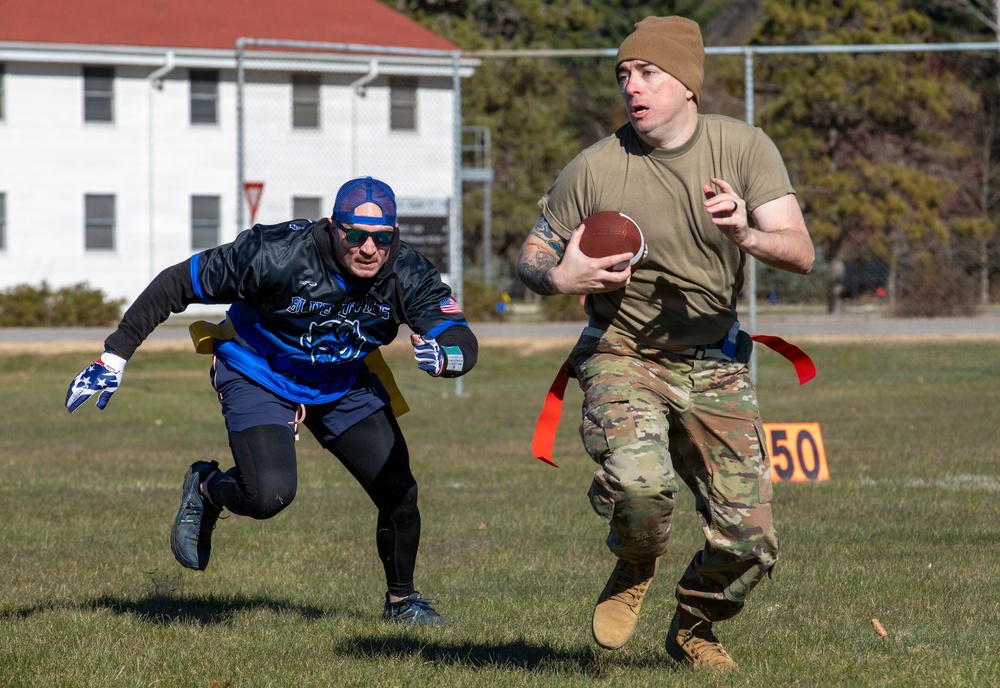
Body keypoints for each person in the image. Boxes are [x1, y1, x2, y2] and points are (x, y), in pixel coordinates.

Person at [516, 16, 814, 669]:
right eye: (624, 75)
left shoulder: (743, 150)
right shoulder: (595, 167)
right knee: (643, 490)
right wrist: (557, 275)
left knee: (752, 540)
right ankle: (634, 554)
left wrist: (746, 236)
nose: (633, 86)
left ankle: (694, 625)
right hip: (621, 353)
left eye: (648, 72)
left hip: (712, 359)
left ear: (688, 84)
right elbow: (530, 254)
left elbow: (800, 251)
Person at [66, 176, 478, 626]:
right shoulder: (275, 253)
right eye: (356, 235)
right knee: (268, 495)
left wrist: (448, 358)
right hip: (258, 370)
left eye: (382, 238)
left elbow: (456, 334)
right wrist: (115, 355)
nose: (368, 249)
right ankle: (206, 487)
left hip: (340, 381)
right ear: (333, 227)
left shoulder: (408, 272)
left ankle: (403, 603)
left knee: (398, 489)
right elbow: (176, 284)